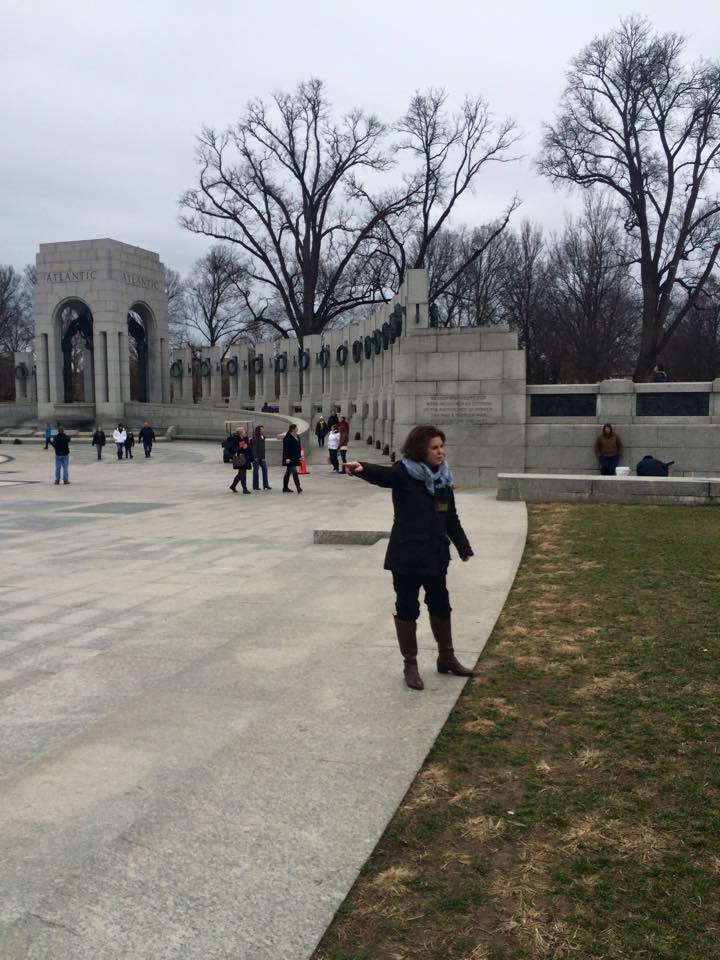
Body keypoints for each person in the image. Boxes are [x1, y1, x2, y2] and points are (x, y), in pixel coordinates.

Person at [345, 424, 474, 691]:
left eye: (441, 447)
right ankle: (410, 664)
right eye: (434, 448)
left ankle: (446, 657)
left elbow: (450, 517)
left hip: (436, 556)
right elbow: (385, 475)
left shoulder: (442, 479)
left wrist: (463, 547)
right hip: (406, 556)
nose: (441, 452)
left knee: (441, 605)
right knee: (407, 609)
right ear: (420, 450)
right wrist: (362, 469)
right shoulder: (404, 473)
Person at [228, 427, 252, 494]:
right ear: (240, 433)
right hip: (239, 458)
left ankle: (233, 486)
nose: (245, 432)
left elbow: (249, 449)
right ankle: (245, 489)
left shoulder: (245, 438)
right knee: (243, 473)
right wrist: (241, 447)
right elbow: (232, 449)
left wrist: (252, 458)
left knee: (240, 474)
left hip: (246, 457)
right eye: (244, 431)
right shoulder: (235, 439)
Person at [282, 423, 303, 493]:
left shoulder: (297, 436)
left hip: (295, 457)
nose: (297, 429)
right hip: (289, 458)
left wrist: (300, 456)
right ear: (293, 429)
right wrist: (286, 458)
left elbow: (298, 448)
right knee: (294, 471)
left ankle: (285, 487)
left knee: (288, 472)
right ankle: (298, 487)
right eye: (296, 428)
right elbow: (285, 449)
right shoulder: (287, 438)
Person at [251, 425, 272, 491]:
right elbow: (254, 448)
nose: (263, 430)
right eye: (262, 429)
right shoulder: (255, 437)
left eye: (263, 429)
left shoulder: (263, 437)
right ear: (258, 430)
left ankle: (266, 485)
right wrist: (255, 457)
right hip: (256, 457)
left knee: (265, 470)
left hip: (262, 457)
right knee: (256, 471)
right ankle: (255, 486)